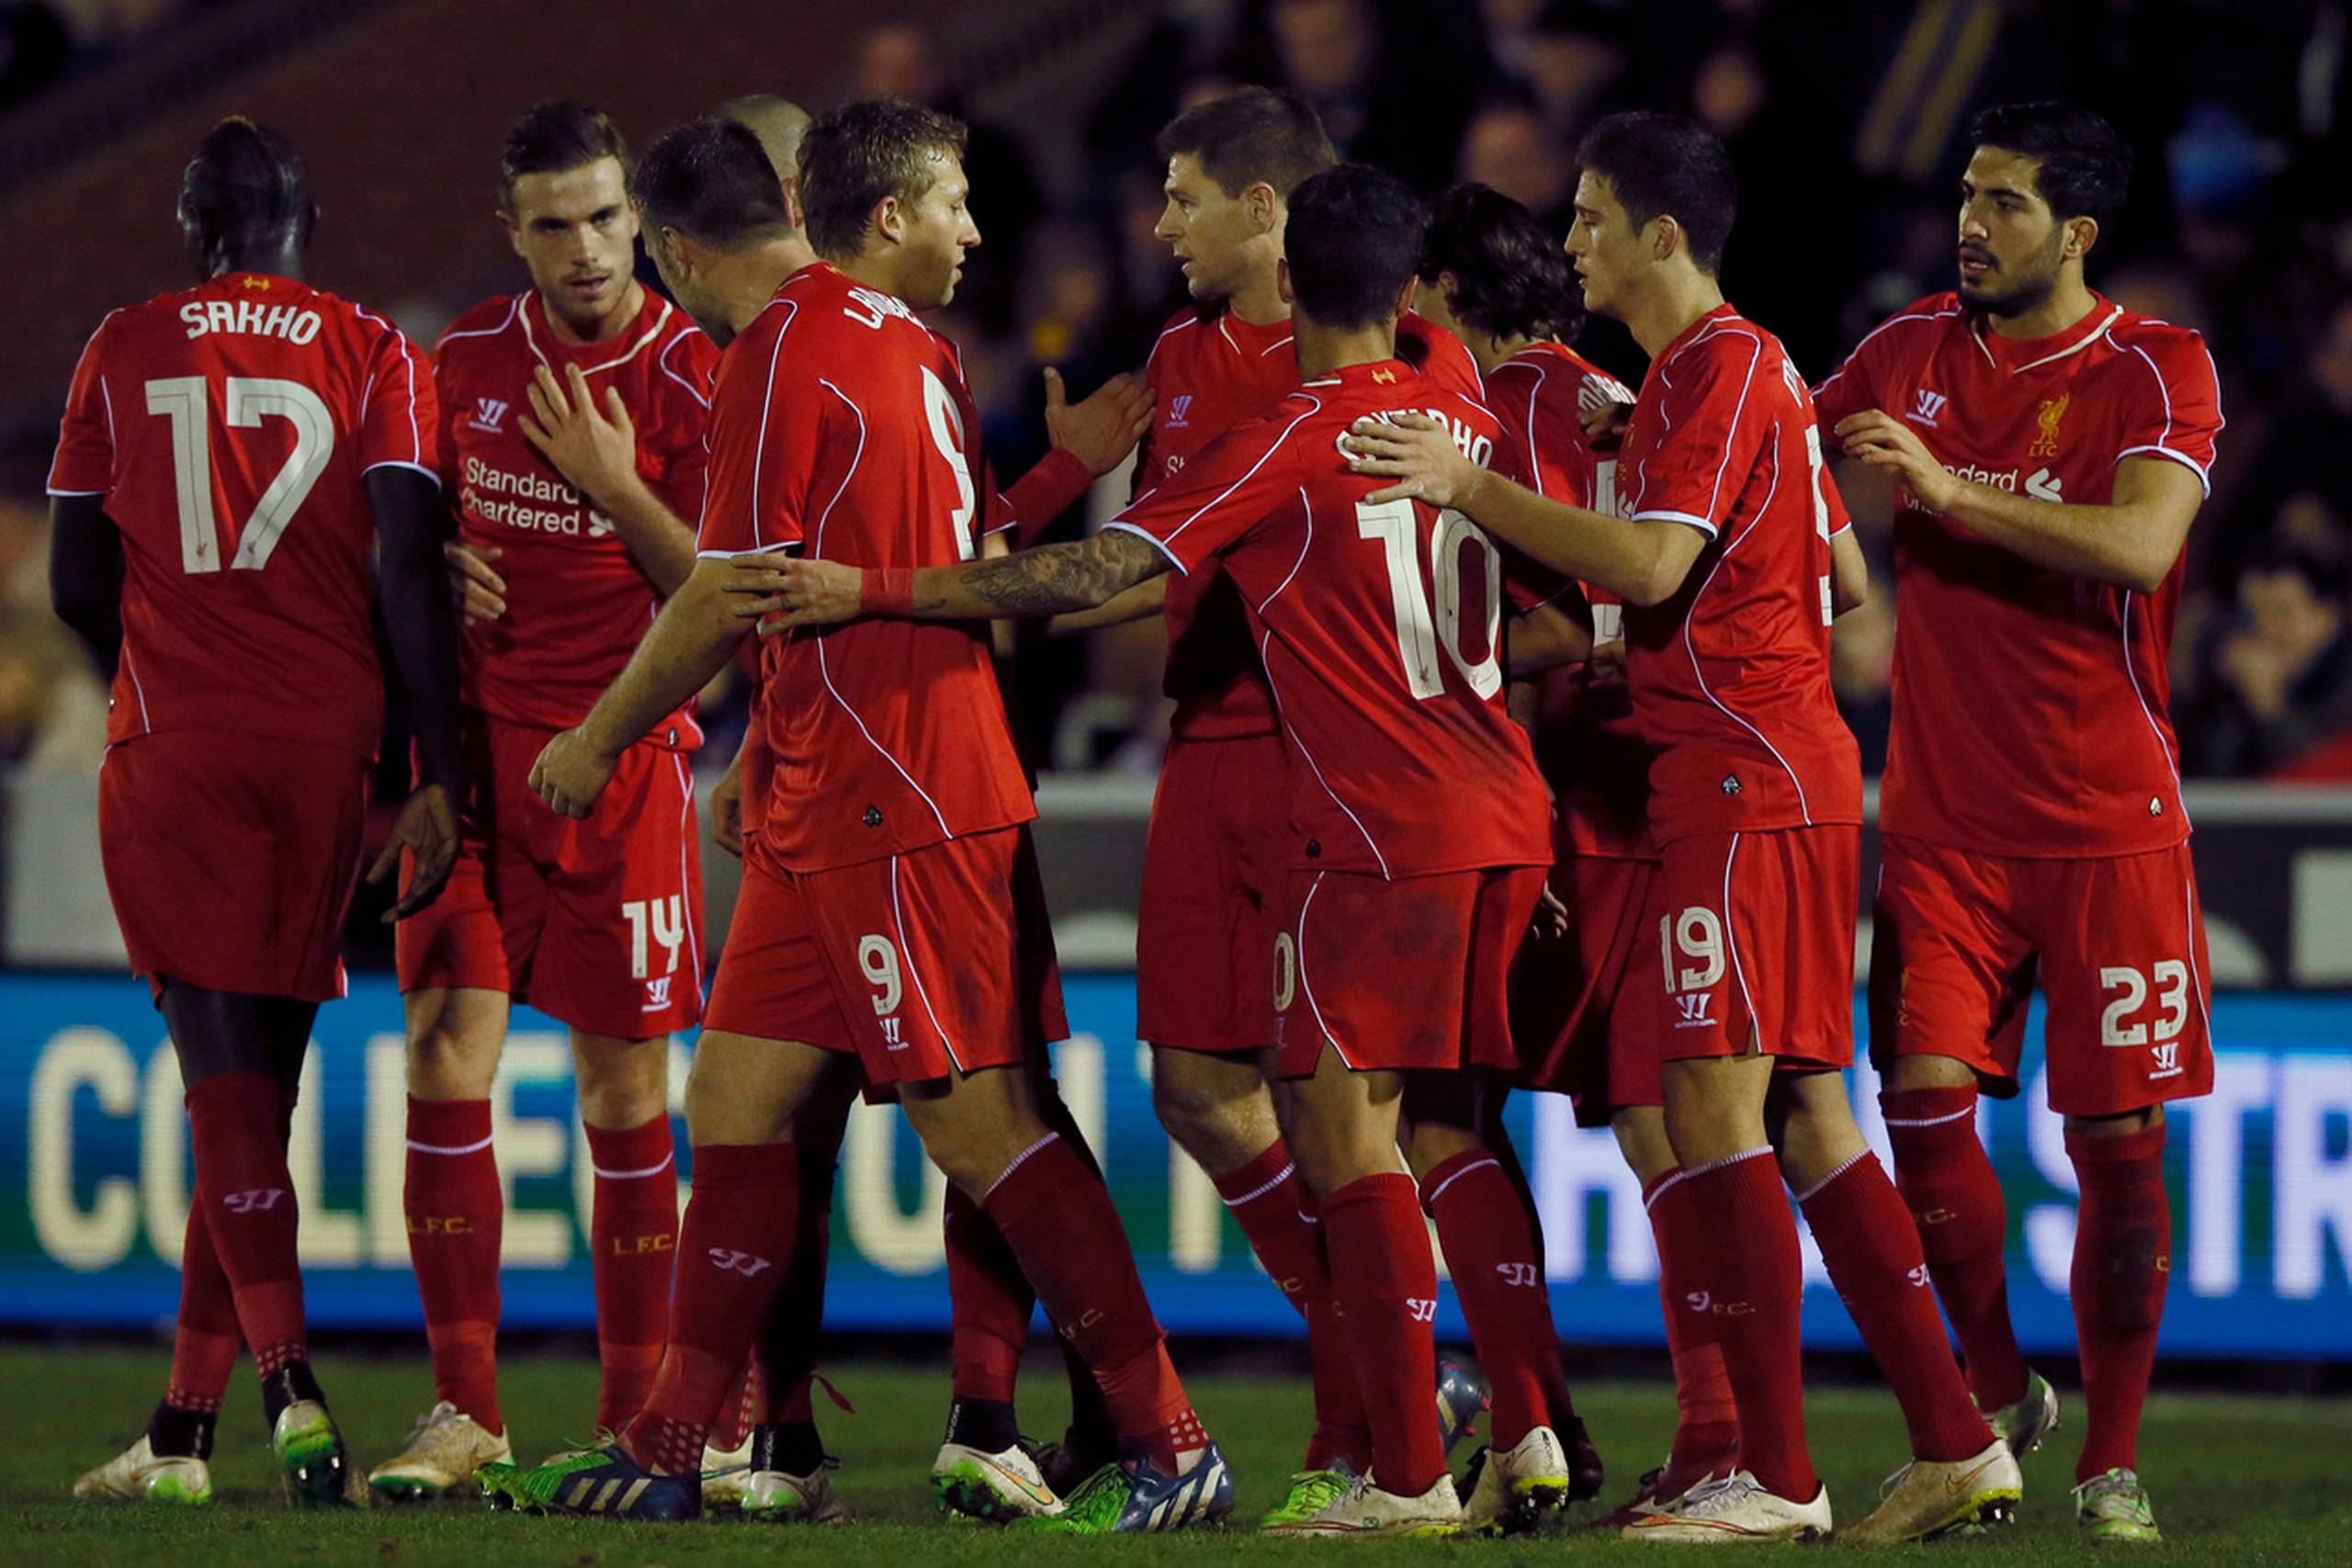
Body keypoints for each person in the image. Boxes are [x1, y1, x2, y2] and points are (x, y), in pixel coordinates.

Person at [755, 161, 1560, 1542]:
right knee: (1444, 1126)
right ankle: (1529, 1428)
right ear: (1411, 293)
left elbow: (1097, 571)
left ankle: (1408, 1471)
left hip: (1380, 824)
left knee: (1344, 1130)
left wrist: (871, 590)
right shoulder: (1462, 412)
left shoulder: (1295, 432)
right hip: (1504, 810)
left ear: (1291, 277)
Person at [512, 105, 1227, 1534]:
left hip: (897, 791)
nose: (976, 229)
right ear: (875, 216)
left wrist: (596, 737)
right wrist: (770, 743)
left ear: (670, 252)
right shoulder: (908, 347)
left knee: (982, 1125)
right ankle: (671, 1443)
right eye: (956, 202)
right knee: (734, 1104)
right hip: (839, 789)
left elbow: (730, 585)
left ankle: (1171, 1442)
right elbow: (916, 562)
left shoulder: (784, 349)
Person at [1340, 110, 2022, 1545]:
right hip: (1754, 773)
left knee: (1703, 1112)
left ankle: (1770, 1472)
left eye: (1591, 217)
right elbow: (1842, 581)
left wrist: (1473, 485)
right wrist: (1647, 444)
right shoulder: (1710, 376)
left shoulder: (1714, 365)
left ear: (1660, 234)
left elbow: (1653, 569)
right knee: (1799, 1115)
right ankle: (1955, 1441)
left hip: (1735, 777)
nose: (1570, 243)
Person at [1065, 85, 1502, 1528]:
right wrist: (1013, 573)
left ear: (1269, 212)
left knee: (1345, 1113)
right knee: (1194, 1084)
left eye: (1183, 196)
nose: (1160, 226)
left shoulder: (1405, 361)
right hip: (1207, 746)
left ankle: (1377, 1427)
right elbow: (1148, 555)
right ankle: (1394, 1373)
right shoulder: (1177, 356)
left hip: (1336, 760)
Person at [1813, 101, 2225, 1546]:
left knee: (2115, 1142)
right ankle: (1995, 1396)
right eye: (1967, 195)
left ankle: (2112, 1459)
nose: (1971, 224)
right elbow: (1773, 454)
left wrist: (1951, 491)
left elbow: (2141, 544)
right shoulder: (1907, 349)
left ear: (2079, 232)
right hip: (1943, 823)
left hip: (2112, 823)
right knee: (1922, 1111)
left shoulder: (2157, 365)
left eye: (2005, 203)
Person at [54, 118, 459, 1508]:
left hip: (178, 742)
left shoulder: (122, 344)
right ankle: (180, 1434)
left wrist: (164, 657)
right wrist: (435, 768)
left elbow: (72, 579)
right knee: (256, 1098)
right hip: (324, 750)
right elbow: (410, 566)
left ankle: (290, 1385)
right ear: (308, 226)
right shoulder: (375, 348)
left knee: (225, 1095)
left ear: (194, 225)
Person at [364, 97, 719, 1505]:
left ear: (640, 219)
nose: (585, 248)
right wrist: (441, 564)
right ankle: (466, 1411)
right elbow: (406, 548)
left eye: (605, 217)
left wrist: (614, 486)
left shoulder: (690, 372)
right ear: (511, 232)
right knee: (442, 1045)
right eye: (554, 223)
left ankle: (636, 1421)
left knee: (622, 1086)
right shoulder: (462, 361)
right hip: (474, 763)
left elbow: (720, 591)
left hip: (624, 769)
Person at [1409, 179, 1744, 1530]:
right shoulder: (1620, 395)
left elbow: (1575, 614)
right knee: (1657, 1126)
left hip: (1569, 804)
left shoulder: (1510, 406)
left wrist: (1427, 669)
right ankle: (1676, 1434)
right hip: (1641, 790)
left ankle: (1554, 1423)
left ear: (1443, 292)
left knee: (1446, 1115)